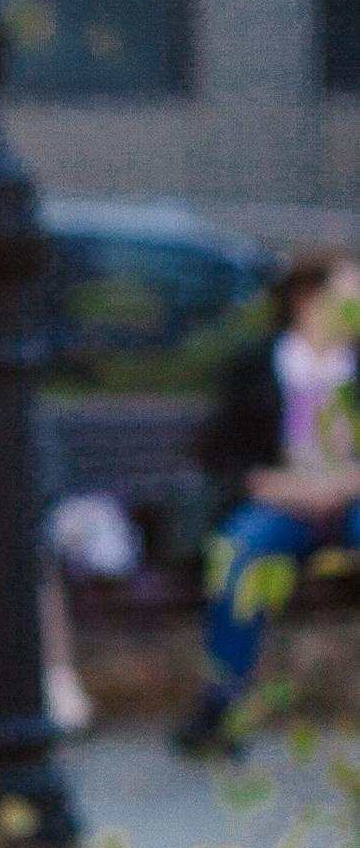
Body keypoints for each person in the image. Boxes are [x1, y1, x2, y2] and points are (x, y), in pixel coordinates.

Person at [174, 243, 360, 756]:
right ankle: (221, 706)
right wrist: (281, 486)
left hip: (350, 500)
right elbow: (223, 456)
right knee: (240, 553)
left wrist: (339, 485)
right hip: (280, 503)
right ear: (307, 297)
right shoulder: (258, 366)